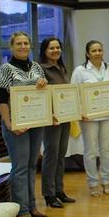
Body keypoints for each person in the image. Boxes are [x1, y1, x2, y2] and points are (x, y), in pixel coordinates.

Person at [0, 31, 48, 217]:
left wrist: (43, 85)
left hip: (36, 122)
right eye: (19, 44)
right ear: (12, 47)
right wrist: (9, 124)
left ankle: (32, 205)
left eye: (26, 43)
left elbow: (43, 94)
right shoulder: (5, 69)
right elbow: (1, 100)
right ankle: (21, 209)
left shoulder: (37, 68)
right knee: (20, 168)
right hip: (16, 125)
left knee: (33, 165)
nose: (23, 46)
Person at [71, 40, 109, 197]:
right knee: (91, 151)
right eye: (93, 50)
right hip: (89, 118)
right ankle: (93, 183)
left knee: (106, 150)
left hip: (108, 115)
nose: (97, 53)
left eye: (100, 50)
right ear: (87, 53)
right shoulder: (80, 71)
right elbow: (73, 93)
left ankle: (106, 180)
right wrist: (80, 112)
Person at [39, 37, 76, 208]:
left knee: (61, 155)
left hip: (65, 117)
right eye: (51, 48)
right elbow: (41, 95)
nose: (55, 50)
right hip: (51, 119)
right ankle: (49, 194)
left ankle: (59, 190)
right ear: (44, 51)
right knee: (51, 155)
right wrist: (50, 113)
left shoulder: (62, 67)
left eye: (58, 47)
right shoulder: (41, 69)